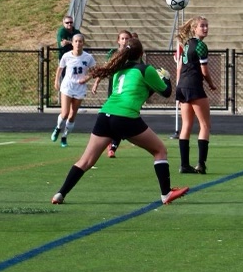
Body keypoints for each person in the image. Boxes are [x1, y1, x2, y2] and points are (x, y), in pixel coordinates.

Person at [51, 38, 189, 205]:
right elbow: (166, 92)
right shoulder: (146, 70)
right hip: (125, 117)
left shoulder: (118, 71)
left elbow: (138, 93)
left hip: (105, 114)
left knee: (86, 161)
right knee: (160, 150)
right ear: (141, 54)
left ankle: (60, 193)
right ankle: (166, 194)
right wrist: (165, 78)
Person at [175, 16, 216, 175]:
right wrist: (211, 84)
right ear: (194, 29)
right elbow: (204, 71)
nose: (205, 29)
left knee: (186, 125)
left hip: (183, 86)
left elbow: (179, 68)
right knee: (205, 125)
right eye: (202, 26)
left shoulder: (186, 44)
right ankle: (201, 164)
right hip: (193, 86)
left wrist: (178, 87)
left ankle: (184, 165)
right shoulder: (200, 46)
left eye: (206, 26)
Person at [91, 29, 133, 158]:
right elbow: (106, 68)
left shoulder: (133, 54)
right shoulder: (113, 54)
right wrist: (96, 82)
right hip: (115, 89)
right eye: (122, 38)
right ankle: (111, 145)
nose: (125, 41)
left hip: (128, 90)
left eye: (127, 38)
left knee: (122, 118)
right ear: (118, 41)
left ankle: (112, 145)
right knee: (114, 117)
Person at [51, 33, 96, 147]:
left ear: (83, 43)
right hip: (68, 86)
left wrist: (87, 78)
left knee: (72, 116)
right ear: (72, 43)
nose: (78, 43)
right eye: (76, 41)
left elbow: (94, 71)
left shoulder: (88, 57)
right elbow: (60, 69)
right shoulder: (67, 56)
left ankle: (64, 137)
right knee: (65, 113)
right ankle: (57, 128)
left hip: (80, 88)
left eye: (80, 41)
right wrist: (56, 81)